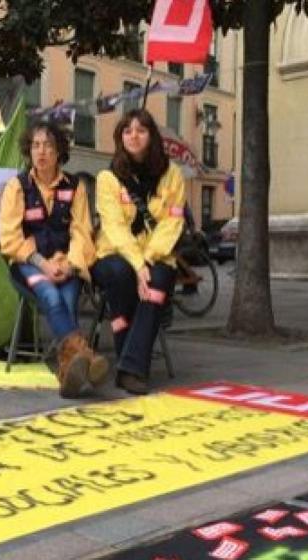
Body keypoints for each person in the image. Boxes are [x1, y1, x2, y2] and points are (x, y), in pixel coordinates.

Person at [0, 120, 109, 398]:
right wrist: (43, 264)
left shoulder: (75, 186)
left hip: (67, 263)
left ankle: (68, 374)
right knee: (51, 296)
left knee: (68, 298)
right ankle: (84, 354)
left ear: (59, 150)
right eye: (35, 145)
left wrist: (70, 265)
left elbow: (82, 232)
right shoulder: (17, 186)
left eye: (48, 145)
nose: (41, 151)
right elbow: (9, 238)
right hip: (28, 265)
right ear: (29, 151)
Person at [91, 109, 185, 395]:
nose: (134, 135)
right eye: (127, 130)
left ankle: (130, 367)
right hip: (113, 255)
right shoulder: (108, 178)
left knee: (157, 283)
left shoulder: (173, 175)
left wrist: (147, 260)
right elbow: (114, 228)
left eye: (141, 130)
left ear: (152, 136)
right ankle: (131, 361)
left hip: (156, 255)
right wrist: (136, 264)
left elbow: (173, 221)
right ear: (120, 137)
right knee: (120, 274)